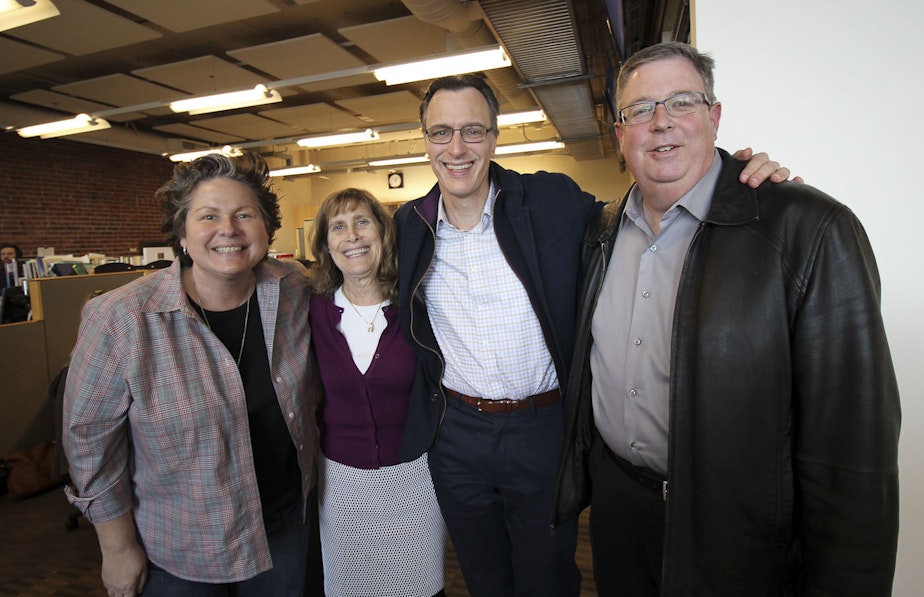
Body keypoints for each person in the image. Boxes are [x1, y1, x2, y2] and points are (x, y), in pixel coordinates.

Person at [394, 73, 792, 596]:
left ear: (494, 137)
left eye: (473, 130)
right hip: (457, 432)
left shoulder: (550, 201)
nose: (457, 147)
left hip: (541, 429)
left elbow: (646, 212)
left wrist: (735, 182)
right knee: (483, 575)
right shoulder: (409, 226)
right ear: (425, 140)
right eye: (441, 133)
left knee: (547, 578)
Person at [555, 41, 901, 596]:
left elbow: (851, 456)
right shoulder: (599, 232)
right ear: (621, 135)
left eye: (682, 102)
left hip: (736, 532)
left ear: (714, 117)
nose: (661, 122)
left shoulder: (807, 230)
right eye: (640, 110)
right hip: (621, 513)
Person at [62, 152, 320, 596]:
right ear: (182, 234)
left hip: (283, 528)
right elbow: (90, 443)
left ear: (266, 229)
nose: (229, 229)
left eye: (245, 214)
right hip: (181, 550)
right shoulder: (121, 318)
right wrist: (117, 546)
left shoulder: (294, 288)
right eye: (208, 216)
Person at [308, 188, 447, 597]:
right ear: (325, 244)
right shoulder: (312, 310)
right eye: (338, 226)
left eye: (362, 222)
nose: (351, 235)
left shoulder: (417, 304)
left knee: (419, 588)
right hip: (342, 485)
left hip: (414, 480)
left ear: (383, 233)